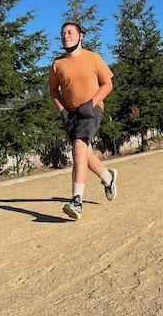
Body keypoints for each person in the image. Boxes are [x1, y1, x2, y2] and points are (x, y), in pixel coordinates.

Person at [48, 22, 117, 220]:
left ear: (81, 36)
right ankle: (108, 177)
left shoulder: (93, 58)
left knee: (78, 148)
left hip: (91, 110)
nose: (65, 36)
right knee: (85, 153)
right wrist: (63, 111)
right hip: (71, 114)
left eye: (70, 32)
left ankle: (76, 202)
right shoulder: (57, 64)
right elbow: (53, 90)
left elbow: (108, 84)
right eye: (63, 33)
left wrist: (91, 103)